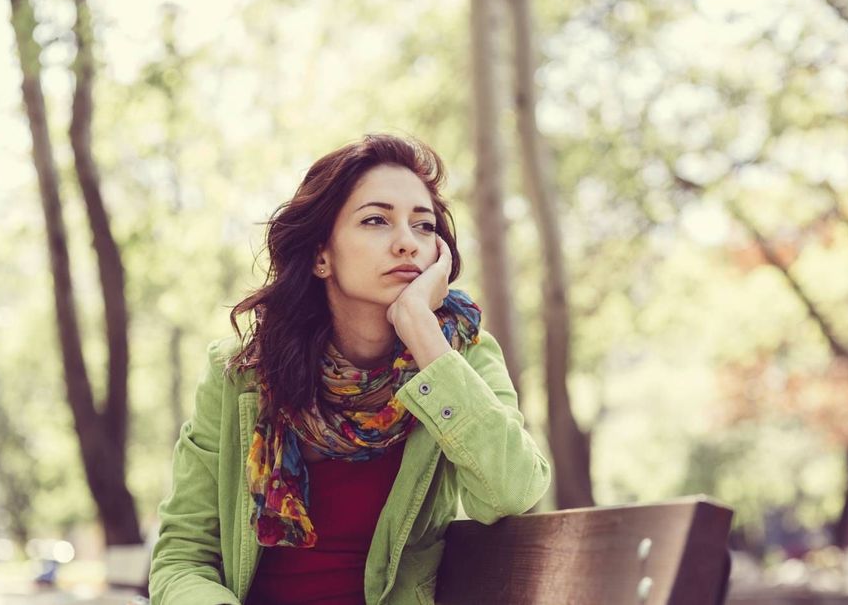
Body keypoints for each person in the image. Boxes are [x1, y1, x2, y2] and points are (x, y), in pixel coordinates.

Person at [149, 134, 552, 605]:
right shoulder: (242, 371)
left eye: (423, 227)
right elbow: (183, 557)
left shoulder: (461, 357)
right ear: (322, 255)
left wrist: (423, 332)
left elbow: (512, 491)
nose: (407, 243)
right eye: (377, 220)